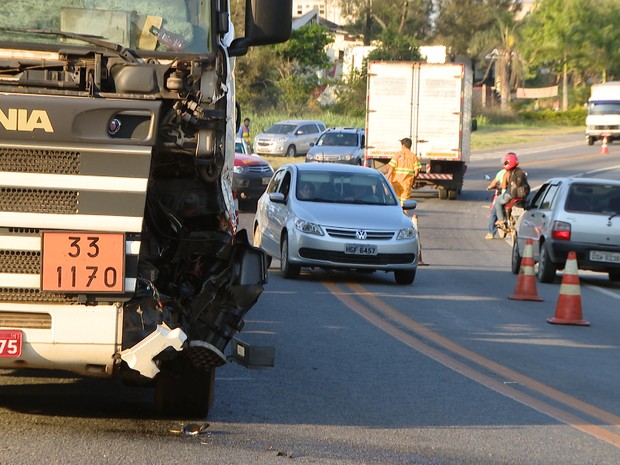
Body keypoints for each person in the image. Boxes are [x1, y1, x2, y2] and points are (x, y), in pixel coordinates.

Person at [383, 138, 422, 205]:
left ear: (403, 145)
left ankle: (396, 215)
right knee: (404, 203)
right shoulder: (414, 157)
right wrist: (413, 181)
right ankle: (403, 215)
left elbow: (391, 168)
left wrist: (387, 179)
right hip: (406, 184)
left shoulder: (397, 155)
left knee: (396, 202)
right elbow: (416, 172)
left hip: (396, 182)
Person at [494, 152, 528, 227]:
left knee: (498, 202)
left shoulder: (508, 173)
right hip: (523, 196)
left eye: (505, 162)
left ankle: (501, 220)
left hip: (511, 194)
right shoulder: (521, 172)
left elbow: (503, 185)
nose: (504, 164)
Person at [485, 163, 506, 239]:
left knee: (493, 213)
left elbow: (494, 182)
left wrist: (490, 186)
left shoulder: (503, 173)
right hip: (516, 196)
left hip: (505, 196)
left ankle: (491, 232)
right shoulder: (517, 172)